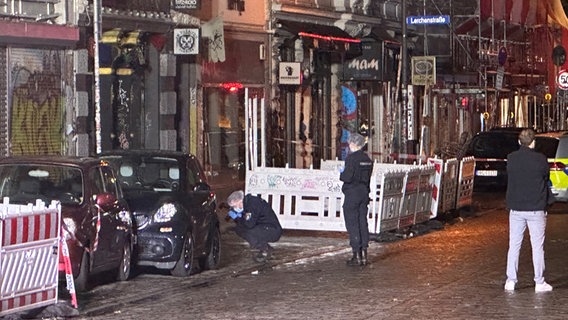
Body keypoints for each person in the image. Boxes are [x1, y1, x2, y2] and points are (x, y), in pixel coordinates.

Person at [504, 128, 553, 292]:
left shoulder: (511, 158)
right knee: (537, 246)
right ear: (534, 143)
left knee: (514, 245)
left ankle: (511, 280)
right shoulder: (540, 160)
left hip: (516, 208)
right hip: (535, 208)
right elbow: (546, 177)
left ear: (519, 142)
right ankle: (539, 282)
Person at [340, 133, 374, 266]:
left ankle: (356, 254)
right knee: (362, 222)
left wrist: (341, 173)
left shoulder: (351, 159)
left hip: (352, 193)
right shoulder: (367, 159)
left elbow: (347, 177)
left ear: (353, 144)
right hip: (364, 193)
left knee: (352, 223)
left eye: (350, 143)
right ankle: (364, 253)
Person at [226, 190, 283, 263]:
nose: (234, 208)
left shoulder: (252, 204)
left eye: (234, 206)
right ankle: (264, 248)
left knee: (248, 232)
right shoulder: (248, 203)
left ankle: (265, 249)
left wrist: (238, 218)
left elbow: (249, 224)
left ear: (239, 201)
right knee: (239, 229)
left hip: (272, 230)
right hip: (263, 227)